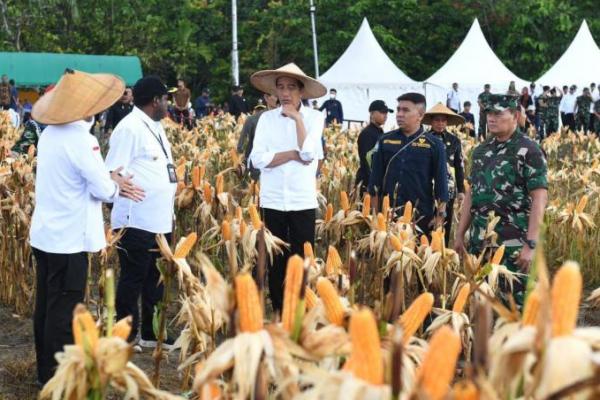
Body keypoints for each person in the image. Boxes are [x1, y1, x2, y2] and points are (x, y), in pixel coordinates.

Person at [28, 69, 143, 384]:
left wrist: (110, 180)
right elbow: (103, 190)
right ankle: (59, 377)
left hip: (46, 235)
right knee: (65, 311)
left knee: (47, 305)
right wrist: (116, 181)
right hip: (69, 240)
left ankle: (45, 372)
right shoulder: (82, 139)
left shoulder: (50, 133)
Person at [454, 94, 548, 306]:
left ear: (515, 116)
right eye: (488, 113)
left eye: (498, 113)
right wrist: (460, 234)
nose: (491, 118)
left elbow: (540, 198)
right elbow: (472, 194)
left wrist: (531, 245)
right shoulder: (481, 151)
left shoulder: (528, 150)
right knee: (483, 304)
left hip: (513, 244)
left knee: (516, 307)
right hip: (480, 244)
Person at [105, 76, 177, 349]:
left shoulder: (155, 126)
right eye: (166, 98)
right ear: (155, 100)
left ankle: (150, 332)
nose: (168, 102)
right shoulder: (130, 128)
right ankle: (125, 334)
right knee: (133, 278)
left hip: (158, 218)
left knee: (156, 277)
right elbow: (113, 170)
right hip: (136, 219)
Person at [249, 63, 326, 313]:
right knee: (275, 259)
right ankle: (281, 309)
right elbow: (258, 159)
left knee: (302, 258)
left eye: (291, 87)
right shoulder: (266, 119)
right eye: (280, 87)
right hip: (272, 200)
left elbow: (307, 154)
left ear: (301, 92)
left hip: (302, 200)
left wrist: (297, 119)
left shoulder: (315, 118)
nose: (285, 93)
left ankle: (301, 307)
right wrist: (291, 153)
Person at [368, 93, 448, 237]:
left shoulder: (435, 145)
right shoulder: (385, 140)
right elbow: (375, 183)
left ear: (420, 115)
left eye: (405, 110)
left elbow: (441, 185)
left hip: (421, 216)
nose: (399, 114)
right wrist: (374, 216)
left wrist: (440, 218)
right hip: (389, 216)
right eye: (398, 109)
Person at [423, 103, 465, 245]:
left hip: (448, 189)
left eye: (443, 120)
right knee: (428, 223)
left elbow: (459, 166)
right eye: (437, 120)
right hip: (427, 188)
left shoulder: (454, 141)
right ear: (431, 121)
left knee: (445, 223)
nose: (440, 124)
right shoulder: (423, 139)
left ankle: (443, 253)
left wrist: (461, 190)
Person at [236, 92, 278, 180]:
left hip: (280, 170)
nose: (279, 97)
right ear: (266, 97)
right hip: (259, 170)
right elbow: (241, 146)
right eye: (276, 95)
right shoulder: (252, 120)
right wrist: (243, 164)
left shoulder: (289, 118)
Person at [355, 100, 393, 195]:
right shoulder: (367, 134)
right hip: (368, 183)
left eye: (386, 113)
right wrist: (372, 185)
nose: (385, 115)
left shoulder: (379, 132)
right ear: (372, 113)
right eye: (382, 112)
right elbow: (368, 160)